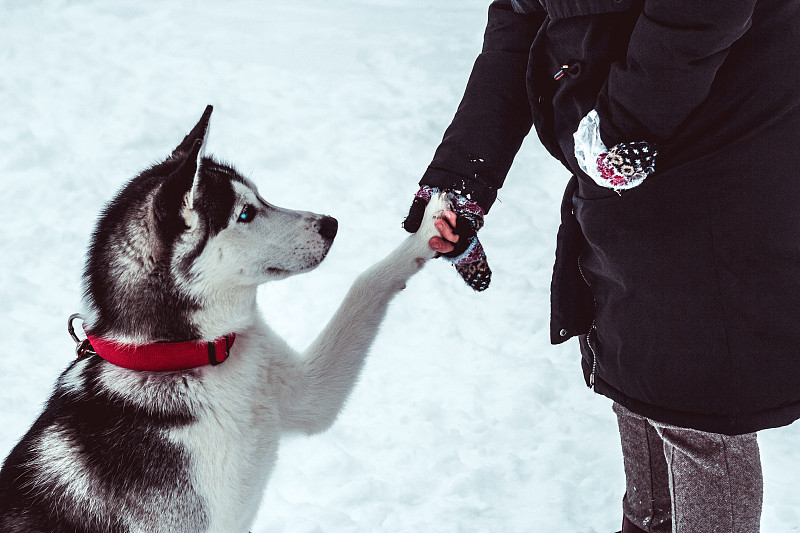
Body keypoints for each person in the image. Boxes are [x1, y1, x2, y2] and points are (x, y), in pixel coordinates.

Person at [402, 1, 800, 531]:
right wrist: (462, 177)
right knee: (638, 363)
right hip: (622, 161)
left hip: (722, 146)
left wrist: (622, 124)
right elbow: (522, 18)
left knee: (697, 400)